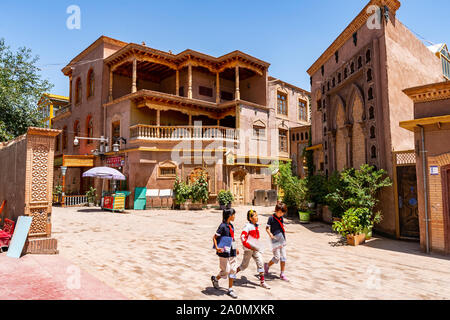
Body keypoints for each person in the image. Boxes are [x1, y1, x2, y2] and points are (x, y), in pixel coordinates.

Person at [236, 209, 270, 289]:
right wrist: (249, 246)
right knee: (244, 266)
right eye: (255, 216)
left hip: (255, 248)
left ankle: (262, 282)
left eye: (257, 215)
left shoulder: (255, 226)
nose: (257, 217)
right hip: (248, 249)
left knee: (260, 262)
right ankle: (232, 274)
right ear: (250, 218)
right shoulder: (247, 226)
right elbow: (242, 237)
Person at [211, 208, 239, 298]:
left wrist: (236, 248)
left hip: (232, 251)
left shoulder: (231, 226)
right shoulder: (222, 226)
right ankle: (215, 278)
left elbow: (232, 238)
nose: (234, 216)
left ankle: (230, 289)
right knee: (226, 270)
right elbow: (214, 237)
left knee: (233, 269)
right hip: (223, 252)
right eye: (234, 215)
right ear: (229, 216)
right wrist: (217, 247)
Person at [264, 203, 289, 281]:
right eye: (280, 212)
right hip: (274, 239)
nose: (281, 214)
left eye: (283, 213)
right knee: (277, 257)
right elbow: (267, 228)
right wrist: (270, 234)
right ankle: (267, 265)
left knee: (283, 257)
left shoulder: (281, 218)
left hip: (282, 238)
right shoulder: (271, 218)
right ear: (276, 210)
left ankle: (282, 274)